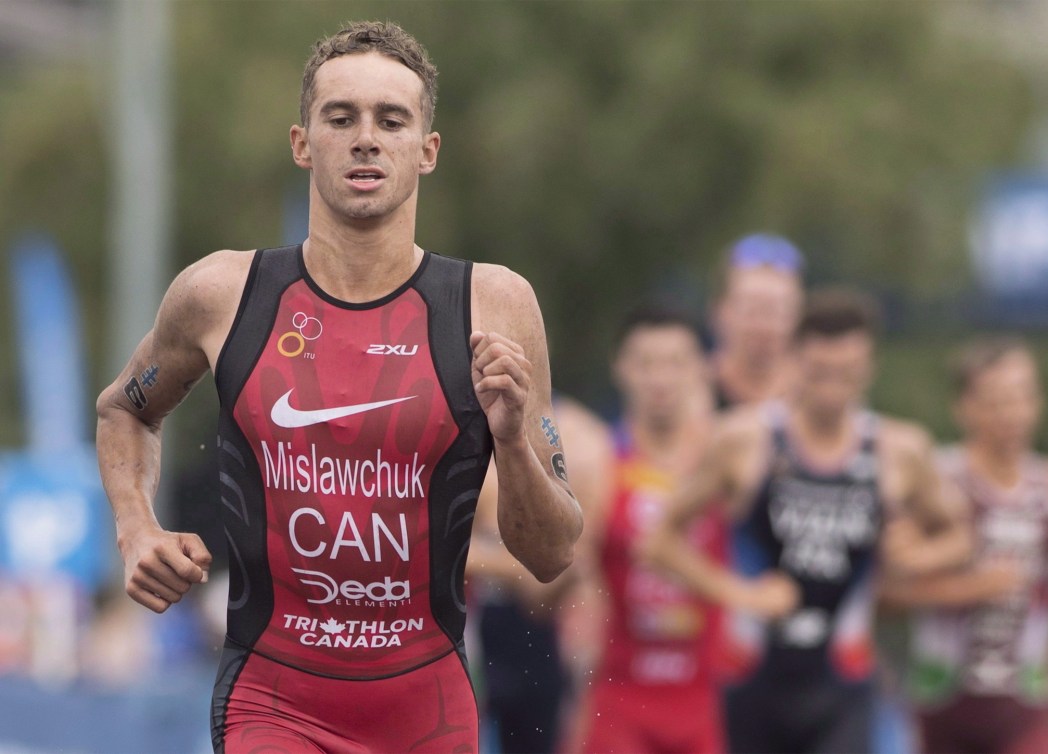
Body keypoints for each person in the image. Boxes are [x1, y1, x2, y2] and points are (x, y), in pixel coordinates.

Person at [94, 21, 582, 754]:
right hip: (274, 703)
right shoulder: (222, 294)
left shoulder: (495, 305)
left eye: (391, 120)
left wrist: (511, 440)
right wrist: (136, 531)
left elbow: (551, 555)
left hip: (428, 710)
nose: (365, 138)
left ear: (427, 151)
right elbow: (123, 412)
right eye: (340, 117)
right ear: (302, 142)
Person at [646, 287, 972, 754]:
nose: (832, 387)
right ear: (794, 362)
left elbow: (962, 536)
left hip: (842, 684)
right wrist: (738, 593)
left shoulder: (898, 449)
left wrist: (918, 557)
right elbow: (658, 542)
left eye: (847, 374)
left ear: (869, 369)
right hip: (751, 681)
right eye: (820, 373)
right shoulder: (745, 438)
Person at [884, 337, 1048, 754]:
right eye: (995, 401)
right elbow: (884, 591)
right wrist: (968, 588)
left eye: (1022, 398)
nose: (1012, 414)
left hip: (1025, 701)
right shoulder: (936, 482)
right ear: (964, 408)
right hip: (942, 701)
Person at [567, 306, 752, 754]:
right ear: (621, 368)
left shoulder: (725, 461)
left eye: (674, 362)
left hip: (705, 700)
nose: (660, 379)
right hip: (621, 698)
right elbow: (568, 583)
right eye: (646, 363)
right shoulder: (600, 465)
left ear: (700, 370)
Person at [468, 395, 612, 754]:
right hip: (482, 631)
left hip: (547, 636)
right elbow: (448, 552)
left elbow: (570, 567)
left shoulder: (583, 439)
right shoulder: (468, 431)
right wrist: (526, 568)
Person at [710, 233, 804, 407]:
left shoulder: (818, 396)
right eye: (752, 310)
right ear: (720, 312)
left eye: (776, 311)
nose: (763, 326)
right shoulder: (690, 393)